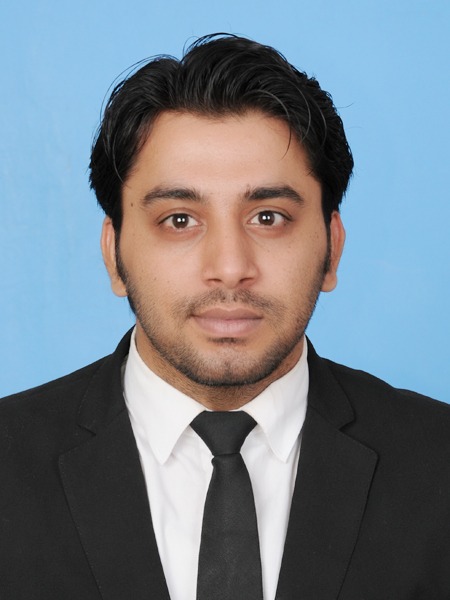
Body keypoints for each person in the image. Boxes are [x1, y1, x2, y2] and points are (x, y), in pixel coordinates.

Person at [1, 33, 450, 600]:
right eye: (179, 220)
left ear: (332, 248)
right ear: (114, 254)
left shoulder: (438, 465)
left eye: (268, 217)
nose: (230, 268)